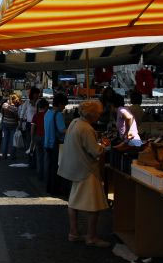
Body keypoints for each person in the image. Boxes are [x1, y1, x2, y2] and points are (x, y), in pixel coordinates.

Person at [58, 100, 110, 248]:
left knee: (73, 202)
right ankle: (91, 237)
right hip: (87, 170)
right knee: (94, 206)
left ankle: (73, 233)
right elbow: (95, 151)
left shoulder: (75, 122)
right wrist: (103, 145)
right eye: (98, 113)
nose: (99, 115)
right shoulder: (86, 128)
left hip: (75, 168)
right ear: (92, 114)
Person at [44, 93, 68, 195]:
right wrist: (71, 128)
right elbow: (62, 130)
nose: (64, 108)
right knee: (56, 168)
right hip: (55, 144)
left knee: (50, 167)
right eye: (63, 105)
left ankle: (49, 188)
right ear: (59, 104)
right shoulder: (57, 115)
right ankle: (55, 189)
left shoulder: (47, 113)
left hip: (47, 143)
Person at [31, 99, 49, 180]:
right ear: (46, 106)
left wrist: (32, 139)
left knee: (39, 157)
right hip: (46, 137)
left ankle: (39, 175)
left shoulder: (36, 115)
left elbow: (32, 129)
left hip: (37, 137)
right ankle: (46, 176)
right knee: (46, 158)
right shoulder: (48, 115)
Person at [20, 87, 40, 156]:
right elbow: (22, 113)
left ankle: (34, 157)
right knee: (29, 141)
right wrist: (20, 124)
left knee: (36, 142)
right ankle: (30, 158)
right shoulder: (27, 102)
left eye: (38, 94)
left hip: (38, 125)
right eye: (36, 94)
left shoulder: (39, 102)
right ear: (33, 94)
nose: (37, 95)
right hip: (29, 124)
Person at [0, 94, 20, 159]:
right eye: (16, 100)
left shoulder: (4, 105)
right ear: (14, 99)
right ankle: (12, 155)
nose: (17, 101)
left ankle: (4, 155)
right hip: (13, 124)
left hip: (5, 123)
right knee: (12, 140)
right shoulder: (14, 108)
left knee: (5, 139)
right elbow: (16, 118)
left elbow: (2, 113)